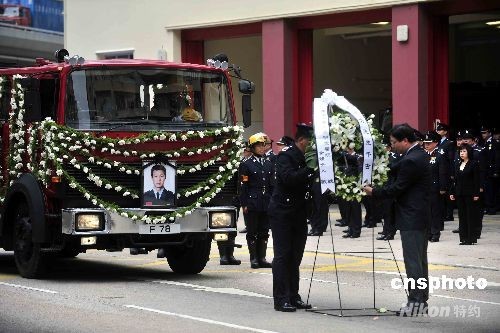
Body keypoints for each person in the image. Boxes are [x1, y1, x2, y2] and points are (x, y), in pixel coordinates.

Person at [363, 124, 431, 316]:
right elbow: (395, 168)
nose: (392, 147)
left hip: (412, 216)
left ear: (405, 141)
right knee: (419, 261)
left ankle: (416, 302)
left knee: (413, 262)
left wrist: (374, 192)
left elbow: (397, 188)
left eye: (394, 143)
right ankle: (421, 300)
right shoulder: (417, 155)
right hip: (419, 215)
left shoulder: (412, 160)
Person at [268, 123, 315, 312]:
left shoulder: (306, 157)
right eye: (311, 143)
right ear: (302, 141)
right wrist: (310, 169)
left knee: (295, 256)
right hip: (282, 212)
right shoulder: (286, 156)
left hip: (298, 211)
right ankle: (281, 298)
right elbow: (289, 179)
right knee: (283, 255)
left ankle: (293, 295)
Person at [240, 132, 274, 269]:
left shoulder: (268, 163)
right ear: (252, 147)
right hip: (252, 202)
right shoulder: (246, 164)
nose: (262, 148)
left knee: (264, 231)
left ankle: (262, 258)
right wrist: (244, 204)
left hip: (266, 201)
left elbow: (272, 184)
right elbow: (243, 186)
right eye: (259, 145)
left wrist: (273, 201)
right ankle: (254, 258)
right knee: (252, 231)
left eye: (263, 145)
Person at [450, 144, 481, 245]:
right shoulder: (458, 164)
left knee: (470, 216)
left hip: (470, 193)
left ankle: (471, 238)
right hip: (460, 194)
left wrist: (476, 193)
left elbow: (477, 180)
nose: (462, 153)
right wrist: (452, 192)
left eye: (464, 151)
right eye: (460, 152)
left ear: (468, 152)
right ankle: (463, 238)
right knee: (462, 216)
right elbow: (455, 180)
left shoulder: (473, 164)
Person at [423, 131, 449, 242]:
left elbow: (442, 173)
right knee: (426, 211)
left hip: (435, 188)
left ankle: (435, 233)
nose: (426, 145)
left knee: (435, 211)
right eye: (425, 143)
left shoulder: (440, 155)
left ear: (436, 143)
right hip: (424, 188)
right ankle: (428, 232)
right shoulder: (423, 155)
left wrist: (443, 188)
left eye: (429, 143)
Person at [376, 136, 400, 241]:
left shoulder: (394, 157)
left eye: (384, 147)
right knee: (385, 211)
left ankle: (391, 232)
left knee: (390, 211)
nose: (382, 149)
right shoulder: (380, 157)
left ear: (389, 148)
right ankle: (386, 230)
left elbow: (394, 170)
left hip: (391, 186)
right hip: (383, 187)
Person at [436, 123, 456, 222]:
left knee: (448, 193)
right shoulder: (436, 143)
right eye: (437, 130)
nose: (438, 131)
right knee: (440, 194)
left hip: (446, 171)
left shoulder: (449, 143)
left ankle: (449, 214)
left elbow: (451, 159)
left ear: (445, 132)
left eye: (440, 130)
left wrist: (452, 173)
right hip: (438, 171)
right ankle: (442, 213)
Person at [480, 126, 499, 215]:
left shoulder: (494, 143)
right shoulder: (483, 143)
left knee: (492, 190)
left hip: (491, 170)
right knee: (486, 190)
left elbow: (497, 158)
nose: (483, 134)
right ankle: (488, 207)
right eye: (482, 133)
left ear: (489, 133)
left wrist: (496, 171)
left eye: (485, 132)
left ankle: (492, 208)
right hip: (485, 171)